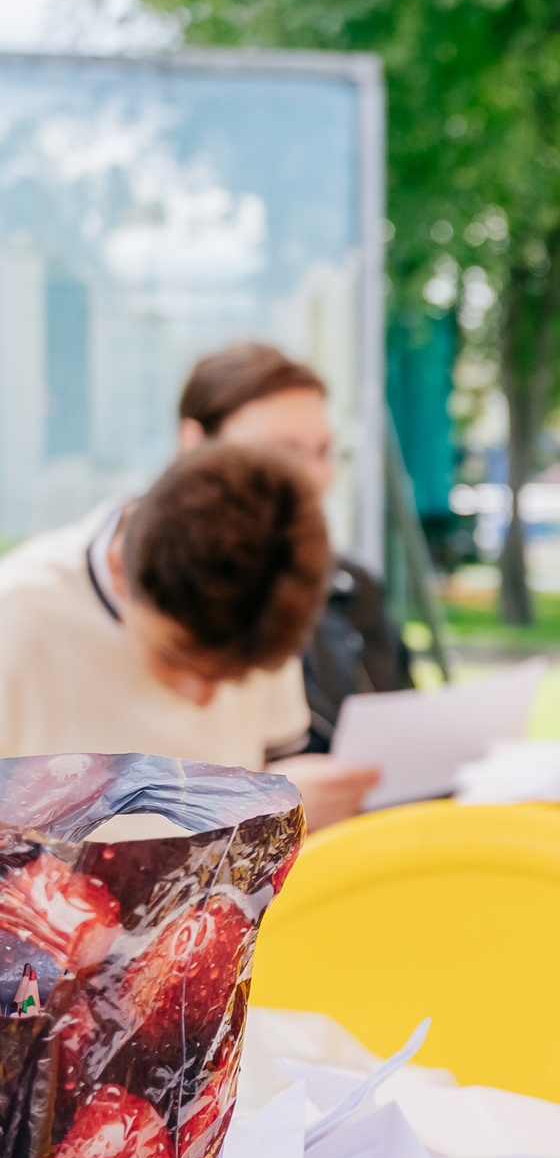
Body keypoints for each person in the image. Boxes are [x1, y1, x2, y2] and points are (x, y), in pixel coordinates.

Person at [0, 442, 378, 826]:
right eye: (175, 659)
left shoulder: (263, 598)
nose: (202, 699)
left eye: (235, 678)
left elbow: (273, 759)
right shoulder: (18, 617)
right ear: (118, 571)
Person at [170, 342, 415, 750]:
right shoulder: (150, 599)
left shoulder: (350, 586)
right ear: (194, 444)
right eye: (282, 453)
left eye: (324, 451)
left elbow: (404, 717)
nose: (313, 477)